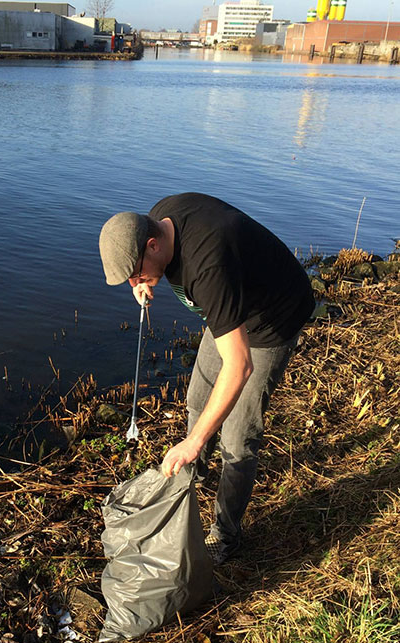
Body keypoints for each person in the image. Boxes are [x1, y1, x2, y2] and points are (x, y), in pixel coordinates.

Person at [99, 193, 314, 564]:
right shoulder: (160, 218)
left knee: (238, 437)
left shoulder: (207, 268)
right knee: (198, 399)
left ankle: (225, 535)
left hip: (271, 320)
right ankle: (190, 480)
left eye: (136, 272)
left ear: (153, 244)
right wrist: (143, 281)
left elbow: (240, 365)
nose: (136, 281)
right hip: (232, 309)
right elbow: (196, 284)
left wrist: (194, 441)